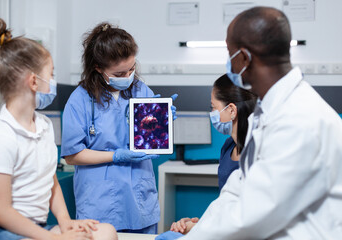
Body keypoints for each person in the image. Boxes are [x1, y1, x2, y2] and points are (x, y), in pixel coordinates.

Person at [156, 6, 342, 240]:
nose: (228, 62)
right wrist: (200, 229)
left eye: (229, 53)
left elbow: (252, 217)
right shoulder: (266, 113)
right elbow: (236, 190)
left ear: (243, 58)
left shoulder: (300, 119)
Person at [0, 18, 117, 240]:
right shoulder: (1, 138)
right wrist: (53, 238)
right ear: (34, 82)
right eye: (51, 74)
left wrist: (65, 223)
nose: (53, 81)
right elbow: (1, 212)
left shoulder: (43, 126)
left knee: (106, 232)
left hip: (34, 227)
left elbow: (49, 178)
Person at [61, 22, 176, 234]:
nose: (128, 77)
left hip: (140, 201)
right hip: (99, 205)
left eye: (132, 69)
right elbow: (72, 155)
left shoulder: (142, 91)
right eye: (120, 73)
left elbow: (152, 141)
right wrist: (116, 156)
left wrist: (163, 122)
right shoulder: (80, 100)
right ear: (98, 68)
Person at [169, 74, 257, 234]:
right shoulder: (229, 145)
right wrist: (199, 223)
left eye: (213, 107)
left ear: (231, 110)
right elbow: (225, 207)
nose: (212, 113)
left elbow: (247, 220)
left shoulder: (256, 156)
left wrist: (199, 229)